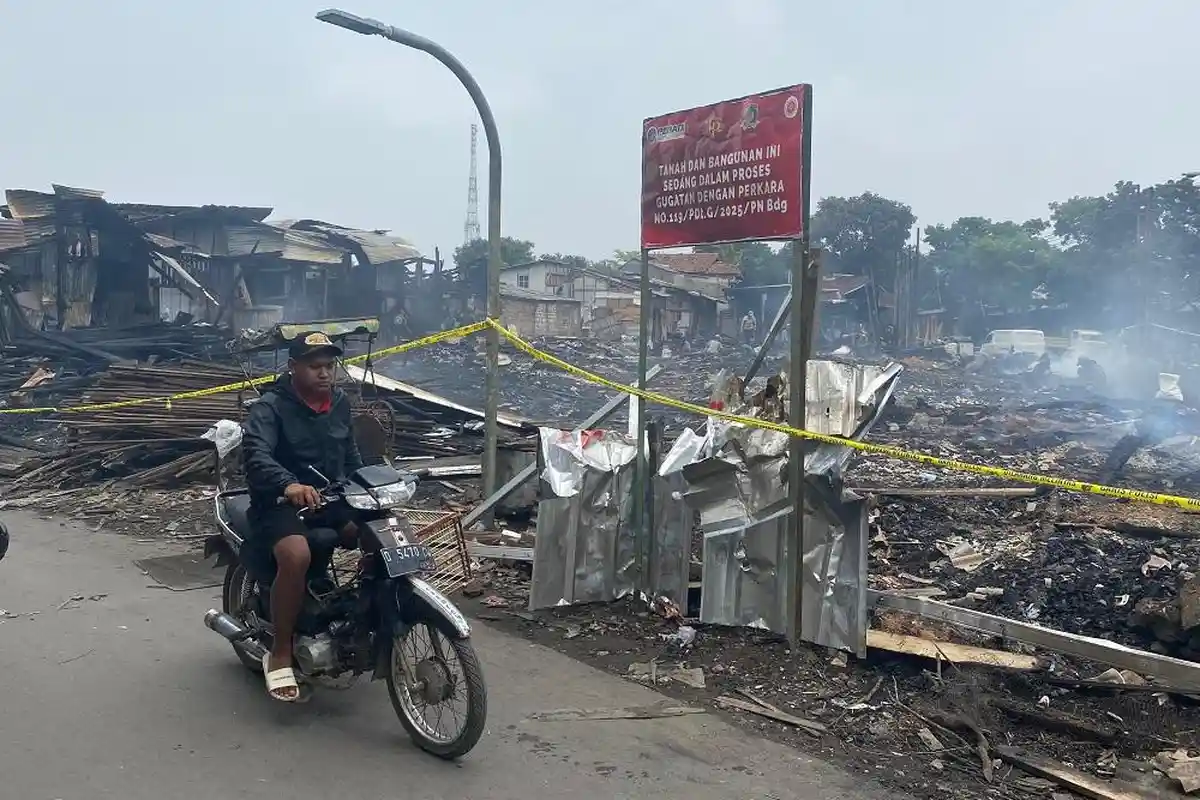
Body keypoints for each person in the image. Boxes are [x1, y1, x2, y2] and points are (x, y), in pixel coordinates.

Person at [241, 331, 364, 702]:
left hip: (330, 499)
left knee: (378, 533)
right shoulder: (270, 407)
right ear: (293, 367)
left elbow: (353, 456)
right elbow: (256, 454)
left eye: (329, 366)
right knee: (296, 555)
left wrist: (371, 482)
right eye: (315, 367)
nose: (324, 374)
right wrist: (288, 484)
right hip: (279, 503)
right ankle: (280, 652)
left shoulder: (339, 403)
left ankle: (365, 620)